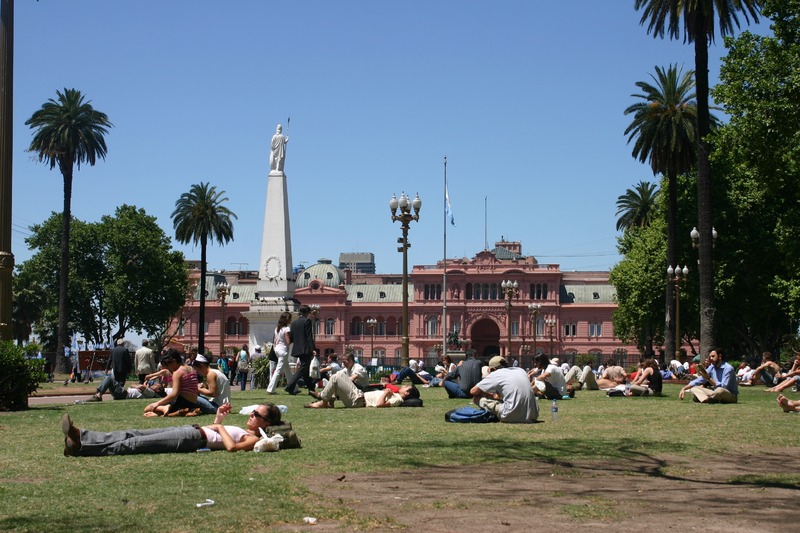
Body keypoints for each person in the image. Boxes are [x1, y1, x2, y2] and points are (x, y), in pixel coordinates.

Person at [61, 402, 282, 456]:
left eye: (256, 415)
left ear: (266, 423)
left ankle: (82, 447)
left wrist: (218, 426)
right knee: (133, 433)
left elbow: (232, 448)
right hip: (191, 429)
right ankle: (82, 436)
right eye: (253, 412)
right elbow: (220, 433)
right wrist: (219, 419)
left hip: (193, 439)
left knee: (136, 444)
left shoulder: (254, 439)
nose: (251, 415)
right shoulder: (246, 428)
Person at [470, 356, 538, 423]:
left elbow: (473, 391)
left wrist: (485, 394)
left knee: (476, 398)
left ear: (493, 369)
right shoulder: (521, 370)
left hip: (510, 415)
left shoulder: (496, 374)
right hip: (533, 415)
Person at [304, 370, 419, 408]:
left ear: (407, 392)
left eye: (406, 387)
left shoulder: (398, 399)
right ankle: (328, 400)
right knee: (340, 374)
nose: (403, 386)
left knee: (335, 378)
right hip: (359, 395)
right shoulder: (397, 395)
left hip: (358, 401)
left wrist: (385, 393)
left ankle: (323, 398)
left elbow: (379, 405)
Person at [144, 349, 203, 416]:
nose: (169, 369)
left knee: (147, 409)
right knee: (153, 411)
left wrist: (157, 403)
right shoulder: (191, 369)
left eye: (168, 366)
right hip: (193, 402)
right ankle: (179, 412)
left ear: (174, 361)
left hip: (182, 402)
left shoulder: (177, 372)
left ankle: (164, 409)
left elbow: (174, 394)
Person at [284, 305, 317, 395]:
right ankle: (290, 385)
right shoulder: (307, 321)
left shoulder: (294, 323)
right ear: (307, 312)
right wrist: (312, 348)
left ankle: (311, 389)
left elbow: (292, 337)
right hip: (305, 348)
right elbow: (308, 336)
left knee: (305, 371)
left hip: (297, 348)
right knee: (303, 368)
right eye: (309, 313)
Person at [267, 312, 294, 394]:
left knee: (287, 370)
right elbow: (288, 341)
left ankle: (293, 388)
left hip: (277, 350)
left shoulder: (277, 329)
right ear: (286, 319)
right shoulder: (286, 329)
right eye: (290, 318)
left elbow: (275, 341)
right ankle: (270, 389)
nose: (291, 320)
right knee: (278, 370)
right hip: (284, 350)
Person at [86, 376, 167, 401]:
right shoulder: (150, 392)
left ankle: (98, 395)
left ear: (157, 390)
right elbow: (136, 386)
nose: (155, 384)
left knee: (108, 378)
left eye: (157, 385)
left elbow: (141, 386)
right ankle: (98, 395)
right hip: (123, 393)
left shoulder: (152, 393)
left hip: (124, 393)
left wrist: (143, 386)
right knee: (109, 380)